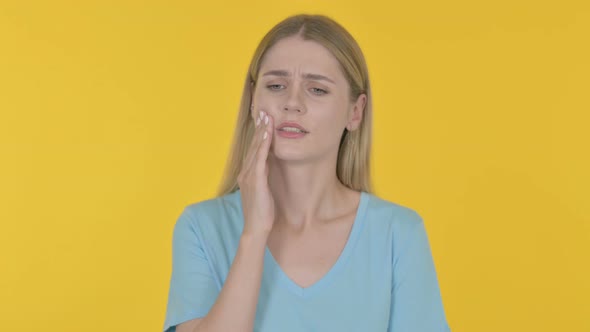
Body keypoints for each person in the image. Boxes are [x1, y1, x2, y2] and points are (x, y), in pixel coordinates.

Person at [163, 14, 451, 332]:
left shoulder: (399, 234)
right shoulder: (201, 227)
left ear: (355, 112)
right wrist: (254, 233)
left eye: (317, 90)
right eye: (276, 85)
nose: (292, 103)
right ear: (252, 101)